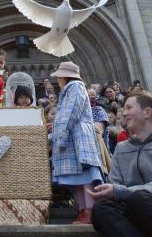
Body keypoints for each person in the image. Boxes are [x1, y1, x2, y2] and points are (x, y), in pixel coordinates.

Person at [89, 91, 152, 237]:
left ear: (147, 112)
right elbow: (115, 184)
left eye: (129, 108)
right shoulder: (121, 148)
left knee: (140, 197)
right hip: (130, 213)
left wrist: (121, 191)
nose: (124, 113)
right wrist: (108, 192)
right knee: (101, 208)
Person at [50, 61, 103, 225]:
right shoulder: (68, 90)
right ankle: (83, 209)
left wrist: (61, 135)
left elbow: (70, 113)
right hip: (72, 136)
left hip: (77, 136)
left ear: (65, 76)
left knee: (85, 174)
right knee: (78, 177)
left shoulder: (76, 88)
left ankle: (90, 209)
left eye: (59, 77)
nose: (57, 80)